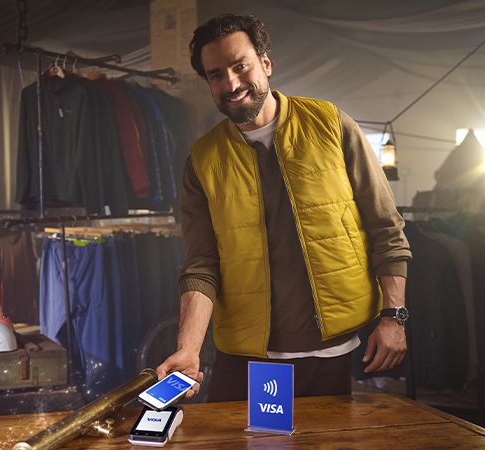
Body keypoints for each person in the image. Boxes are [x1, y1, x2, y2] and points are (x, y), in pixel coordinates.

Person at [155, 14, 412, 402]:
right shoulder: (203, 159)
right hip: (249, 358)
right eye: (216, 75)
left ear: (266, 64)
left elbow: (385, 229)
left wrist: (394, 316)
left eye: (240, 66)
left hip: (333, 352)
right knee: (251, 445)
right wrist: (189, 348)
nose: (231, 83)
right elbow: (201, 265)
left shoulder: (330, 125)